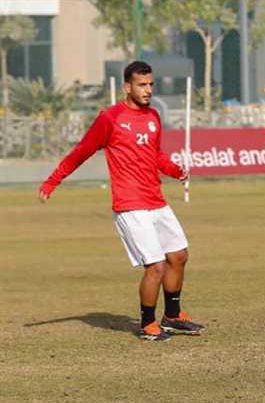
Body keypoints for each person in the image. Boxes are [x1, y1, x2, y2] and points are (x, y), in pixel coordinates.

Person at [39, 61, 203, 341]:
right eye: (142, 85)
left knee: (178, 255)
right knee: (155, 265)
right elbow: (81, 151)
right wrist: (53, 180)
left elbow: (156, 156)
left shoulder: (153, 116)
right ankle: (148, 325)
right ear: (127, 87)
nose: (148, 90)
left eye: (151, 84)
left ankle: (172, 316)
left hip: (156, 200)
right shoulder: (110, 118)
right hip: (130, 205)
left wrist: (175, 170)